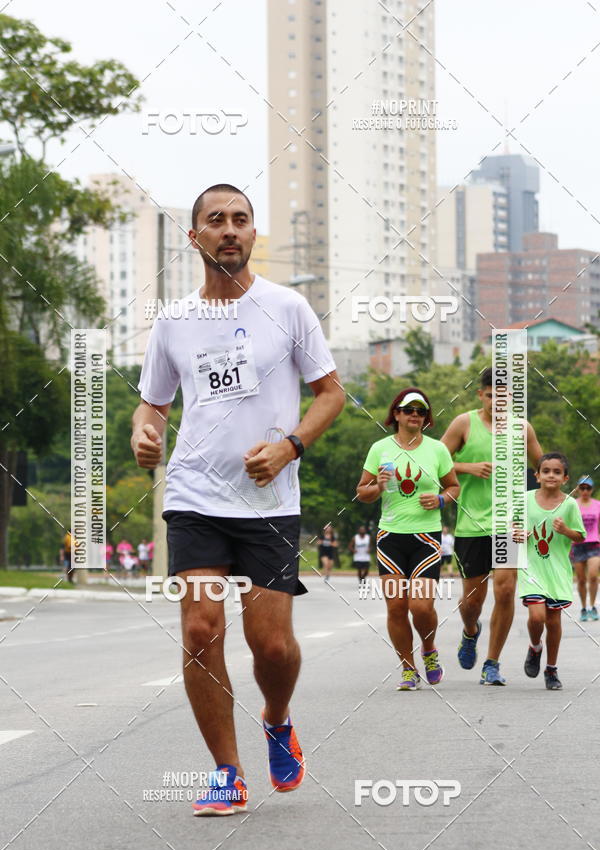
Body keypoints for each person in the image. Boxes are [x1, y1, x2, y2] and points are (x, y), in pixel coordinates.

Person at [131, 183, 344, 816]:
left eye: (241, 220)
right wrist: (145, 431)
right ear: (194, 238)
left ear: (254, 235)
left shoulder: (289, 308)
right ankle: (227, 771)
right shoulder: (174, 321)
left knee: (271, 646)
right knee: (200, 630)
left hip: (269, 500)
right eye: (216, 221)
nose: (230, 229)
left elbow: (330, 392)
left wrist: (290, 446)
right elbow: (154, 401)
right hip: (195, 496)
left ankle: (277, 718)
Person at [441, 367, 543, 686]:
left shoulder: (522, 428)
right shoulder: (464, 423)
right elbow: (432, 460)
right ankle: (471, 631)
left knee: (506, 590)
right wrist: (466, 466)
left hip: (509, 524)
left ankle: (492, 663)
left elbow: (544, 467)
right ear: (480, 394)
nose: (496, 402)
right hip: (471, 525)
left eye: (503, 397)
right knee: (473, 601)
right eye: (490, 396)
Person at [357, 389, 460, 690]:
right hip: (390, 537)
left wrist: (441, 500)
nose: (415, 414)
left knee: (421, 606)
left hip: (426, 536)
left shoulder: (437, 450)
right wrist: (377, 485)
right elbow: (362, 493)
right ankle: (408, 668)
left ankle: (428, 650)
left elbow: (453, 487)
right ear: (397, 414)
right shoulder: (380, 448)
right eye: (409, 409)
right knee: (396, 607)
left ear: (426, 418)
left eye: (421, 410)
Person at [514, 453, 585, 690]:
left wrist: (565, 530)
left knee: (553, 621)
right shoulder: (524, 499)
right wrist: (517, 533)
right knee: (537, 617)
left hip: (557, 570)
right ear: (537, 475)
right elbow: (513, 525)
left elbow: (580, 536)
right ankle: (535, 647)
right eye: (546, 471)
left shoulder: (570, 504)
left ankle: (551, 669)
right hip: (531, 567)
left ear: (565, 478)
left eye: (557, 472)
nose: (551, 475)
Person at [571, 476, 600, 621]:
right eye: (582, 488)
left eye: (588, 488)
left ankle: (593, 606)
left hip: (594, 544)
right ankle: (583, 608)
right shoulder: (573, 505)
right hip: (577, 545)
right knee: (581, 580)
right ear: (578, 489)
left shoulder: (597, 505)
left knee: (593, 576)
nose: (585, 491)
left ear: (592, 489)